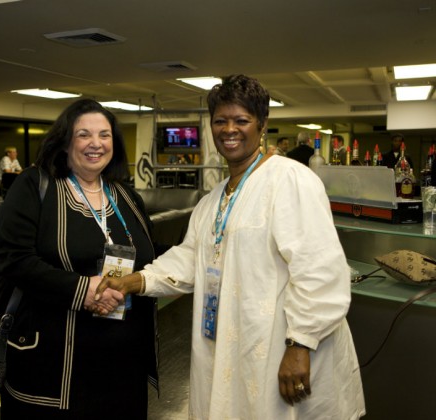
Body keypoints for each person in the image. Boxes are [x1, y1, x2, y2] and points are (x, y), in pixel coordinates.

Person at [97, 75, 365, 419]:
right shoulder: (213, 198)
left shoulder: (290, 180)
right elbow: (192, 256)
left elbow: (319, 269)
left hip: (283, 346)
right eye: (221, 121)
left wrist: (300, 344)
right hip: (232, 342)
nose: (229, 130)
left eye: (241, 120)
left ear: (262, 124)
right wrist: (134, 281)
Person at [0, 98, 158, 418]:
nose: (96, 143)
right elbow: (13, 259)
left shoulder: (125, 194)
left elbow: (150, 254)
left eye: (105, 135)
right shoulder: (34, 185)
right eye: (84, 134)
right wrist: (84, 290)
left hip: (124, 362)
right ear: (65, 141)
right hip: (53, 363)